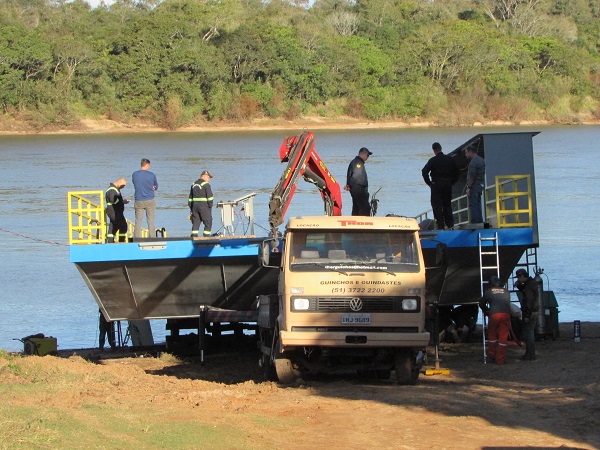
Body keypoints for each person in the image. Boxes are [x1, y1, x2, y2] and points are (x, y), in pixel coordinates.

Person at [422, 142, 459, 230]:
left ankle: (440, 225)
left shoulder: (433, 160)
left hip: (436, 186)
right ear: (441, 148)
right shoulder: (449, 159)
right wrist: (452, 182)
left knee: (437, 205)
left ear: (434, 150)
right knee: (447, 205)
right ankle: (450, 225)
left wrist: (429, 183)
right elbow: (457, 172)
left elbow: (424, 172)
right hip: (447, 185)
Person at [479, 276, 512, 364]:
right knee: (503, 337)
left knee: (492, 335)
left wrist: (486, 311)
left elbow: (481, 303)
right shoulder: (507, 292)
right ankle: (500, 359)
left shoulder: (489, 292)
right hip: (506, 314)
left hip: (494, 314)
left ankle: (492, 355)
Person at [514, 268, 539, 360]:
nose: (518, 280)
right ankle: (530, 353)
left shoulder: (529, 286)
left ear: (522, 276)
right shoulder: (531, 283)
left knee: (529, 334)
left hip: (530, 312)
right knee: (530, 333)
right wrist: (519, 286)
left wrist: (527, 315)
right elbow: (524, 290)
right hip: (533, 311)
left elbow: (529, 301)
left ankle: (530, 355)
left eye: (518, 278)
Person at [132, 158, 158, 238]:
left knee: (138, 221)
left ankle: (136, 238)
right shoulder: (151, 175)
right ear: (147, 165)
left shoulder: (134, 174)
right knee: (150, 221)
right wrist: (154, 187)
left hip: (138, 200)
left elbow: (135, 183)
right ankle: (152, 238)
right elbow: (156, 187)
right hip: (150, 200)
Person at [344, 147, 372, 216]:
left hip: (356, 188)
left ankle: (355, 222)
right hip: (358, 189)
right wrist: (349, 185)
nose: (367, 157)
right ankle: (364, 224)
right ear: (362, 154)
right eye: (367, 155)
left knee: (356, 208)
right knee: (365, 208)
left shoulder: (355, 162)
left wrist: (348, 185)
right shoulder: (358, 163)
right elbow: (356, 176)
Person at [188, 170, 214, 238]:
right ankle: (206, 236)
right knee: (208, 221)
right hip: (204, 206)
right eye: (209, 177)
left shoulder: (193, 184)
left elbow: (190, 199)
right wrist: (210, 206)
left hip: (194, 207)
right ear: (204, 176)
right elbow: (210, 197)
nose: (209, 179)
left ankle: (194, 236)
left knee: (196, 221)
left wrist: (191, 208)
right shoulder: (206, 185)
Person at [465, 146, 485, 224]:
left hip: (474, 186)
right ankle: (480, 220)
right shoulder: (481, 160)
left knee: (473, 204)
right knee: (478, 203)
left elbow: (471, 177)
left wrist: (468, 187)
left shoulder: (473, 163)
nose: (465, 155)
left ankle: (475, 221)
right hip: (480, 184)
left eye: (466, 153)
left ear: (470, 152)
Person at [105, 177, 129, 243]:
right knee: (123, 225)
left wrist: (122, 202)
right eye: (123, 186)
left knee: (113, 226)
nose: (123, 187)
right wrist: (121, 201)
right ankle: (121, 241)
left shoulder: (115, 189)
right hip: (114, 210)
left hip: (115, 210)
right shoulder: (112, 189)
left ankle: (110, 242)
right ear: (120, 183)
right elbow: (113, 200)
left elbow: (115, 200)